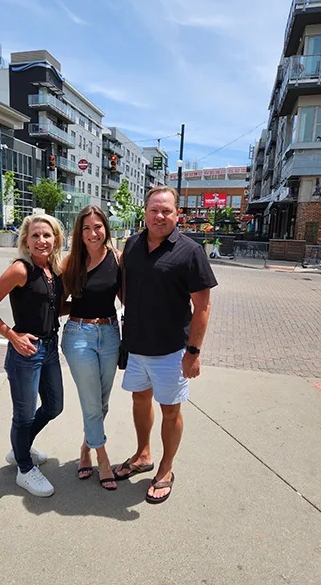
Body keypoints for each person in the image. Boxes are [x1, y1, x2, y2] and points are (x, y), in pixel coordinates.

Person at [113, 186, 217, 504]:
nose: (160, 216)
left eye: (167, 211)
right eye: (154, 210)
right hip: (135, 347)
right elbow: (124, 290)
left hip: (172, 351)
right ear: (144, 212)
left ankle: (166, 468)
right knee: (139, 401)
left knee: (171, 411)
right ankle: (143, 454)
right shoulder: (131, 245)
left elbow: (202, 307)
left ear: (176, 214)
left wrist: (193, 353)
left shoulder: (190, 251)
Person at [0, 214, 64, 497]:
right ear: (26, 240)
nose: (41, 240)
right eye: (35, 235)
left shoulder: (53, 270)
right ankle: (24, 468)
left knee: (54, 406)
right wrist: (11, 335)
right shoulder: (20, 269)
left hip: (49, 349)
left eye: (46, 235)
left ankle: (20, 449)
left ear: (56, 239)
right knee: (23, 416)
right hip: (25, 353)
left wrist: (81, 308)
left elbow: (49, 308)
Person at [61, 206, 121, 491]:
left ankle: (85, 449)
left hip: (110, 333)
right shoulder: (70, 262)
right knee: (91, 402)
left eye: (97, 227)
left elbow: (129, 299)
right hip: (78, 334)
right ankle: (102, 457)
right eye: (86, 228)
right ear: (79, 232)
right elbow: (56, 302)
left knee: (102, 402)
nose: (93, 233)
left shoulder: (117, 260)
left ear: (105, 229)